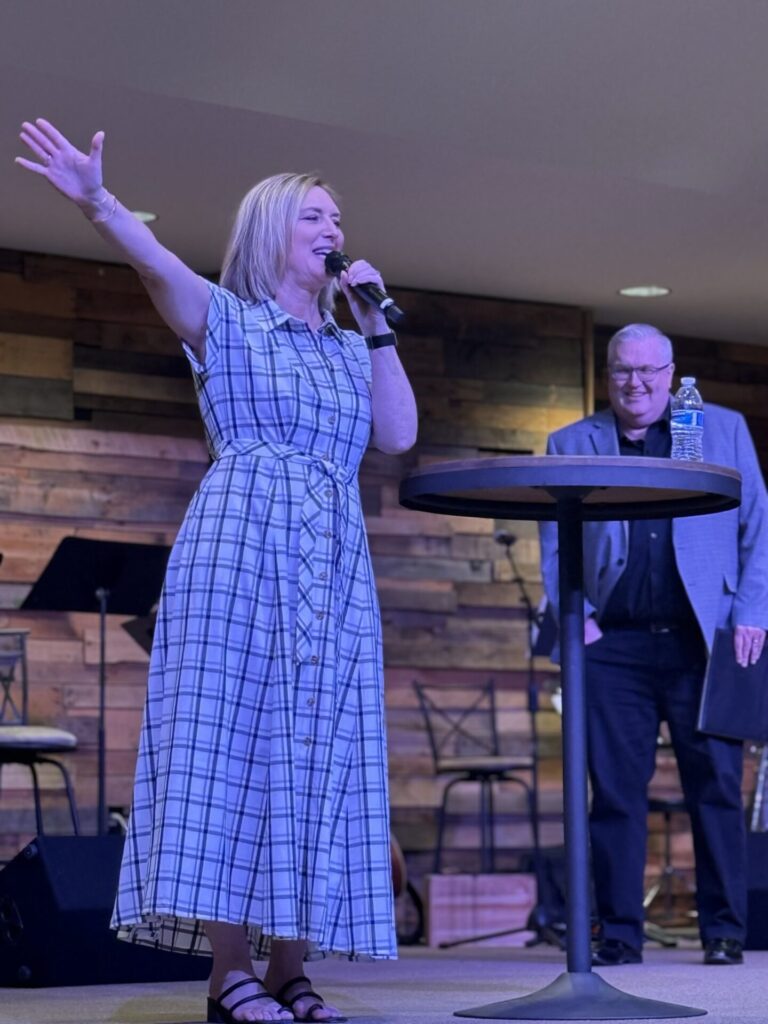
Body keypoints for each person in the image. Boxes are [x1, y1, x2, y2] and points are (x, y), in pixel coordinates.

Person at [17, 118, 418, 1023]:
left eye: (337, 216)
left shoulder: (352, 347)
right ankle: (227, 972)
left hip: (332, 563)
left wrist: (377, 326)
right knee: (232, 749)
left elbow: (396, 437)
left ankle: (290, 967)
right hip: (238, 551)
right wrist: (95, 201)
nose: (331, 227)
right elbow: (155, 263)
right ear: (272, 229)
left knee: (320, 753)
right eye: (313, 214)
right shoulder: (227, 320)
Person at [539, 323, 768, 968]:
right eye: (620, 371)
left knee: (717, 786)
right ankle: (619, 935)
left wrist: (753, 611)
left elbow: (758, 526)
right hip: (613, 645)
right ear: (606, 375)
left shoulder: (721, 430)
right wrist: (571, 611)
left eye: (647, 371)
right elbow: (554, 541)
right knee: (613, 792)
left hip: (705, 638)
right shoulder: (570, 441)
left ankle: (723, 932)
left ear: (671, 374)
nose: (634, 384)